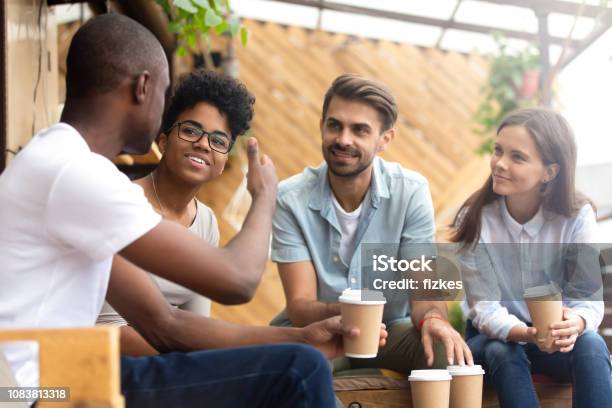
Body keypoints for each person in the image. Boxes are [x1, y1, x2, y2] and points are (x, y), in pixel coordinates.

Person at [0, 14, 387, 408]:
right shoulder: (78, 174)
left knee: (296, 362)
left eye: (218, 140)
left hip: (50, 381)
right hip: (32, 391)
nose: (202, 144)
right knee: (298, 371)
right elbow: (237, 281)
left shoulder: (67, 167)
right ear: (143, 87)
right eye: (166, 95)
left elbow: (167, 324)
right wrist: (266, 196)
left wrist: (302, 336)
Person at [271, 73, 472, 373]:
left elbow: (423, 291)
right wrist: (355, 314)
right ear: (322, 126)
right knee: (294, 368)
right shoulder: (290, 198)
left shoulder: (410, 192)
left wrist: (434, 319)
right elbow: (300, 307)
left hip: (389, 331)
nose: (343, 139)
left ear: (384, 140)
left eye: (360, 130)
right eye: (335, 125)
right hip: (317, 330)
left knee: (442, 346)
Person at [451, 107, 612, 407]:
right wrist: (526, 333)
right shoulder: (474, 218)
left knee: (591, 344)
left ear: (550, 172)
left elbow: (587, 301)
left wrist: (575, 323)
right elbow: (485, 311)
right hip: (492, 340)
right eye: (498, 150)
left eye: (517, 157)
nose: (499, 163)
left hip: (555, 339)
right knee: (504, 350)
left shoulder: (577, 217)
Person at [97, 69, 252, 356]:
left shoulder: (205, 222)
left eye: (218, 140)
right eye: (191, 130)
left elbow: (197, 323)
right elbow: (109, 331)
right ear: (164, 141)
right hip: (105, 364)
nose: (203, 144)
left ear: (222, 161)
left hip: (169, 363)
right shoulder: (125, 203)